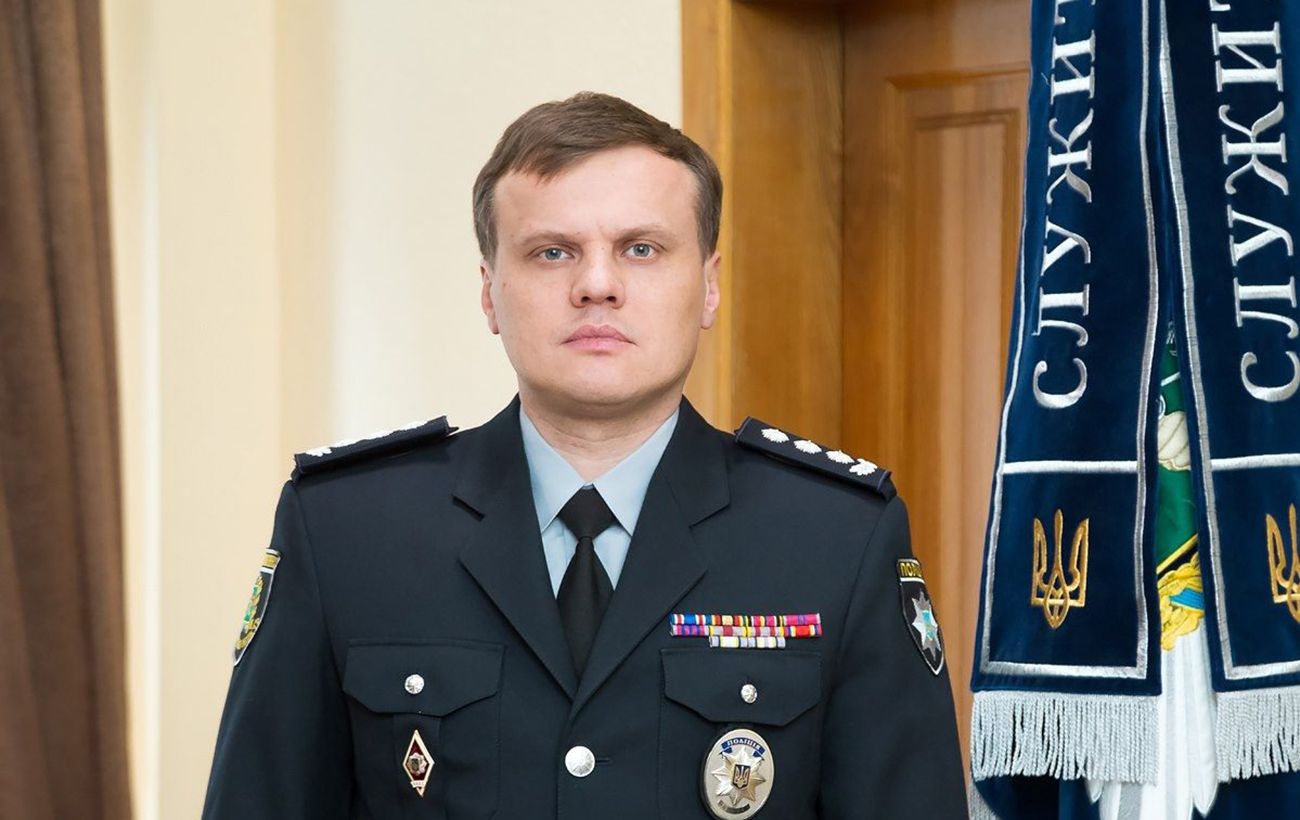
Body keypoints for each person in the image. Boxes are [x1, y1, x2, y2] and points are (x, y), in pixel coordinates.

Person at [201, 91, 967, 819]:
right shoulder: (346, 532)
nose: (597, 285)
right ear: (489, 293)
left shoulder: (837, 539)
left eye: (641, 248)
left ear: (708, 287)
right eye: (552, 252)